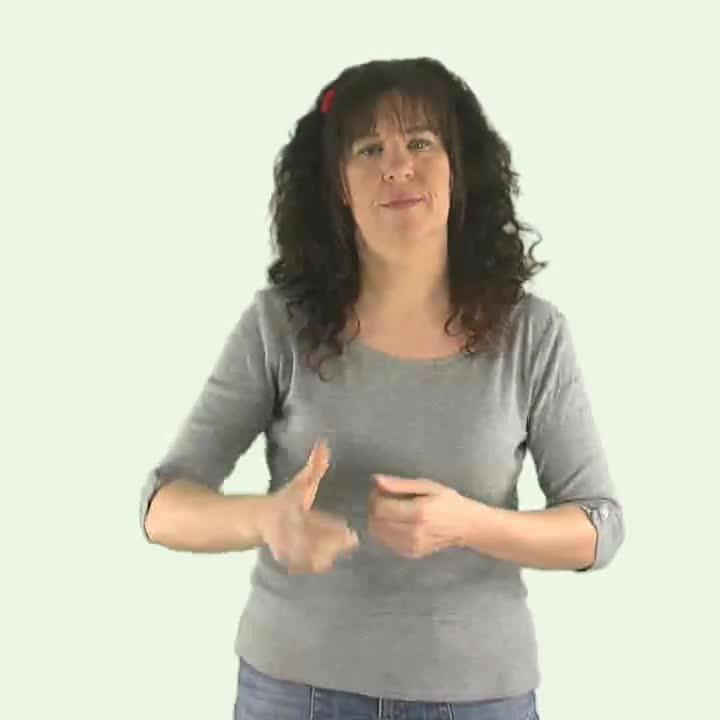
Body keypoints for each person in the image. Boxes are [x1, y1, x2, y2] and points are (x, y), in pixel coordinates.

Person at [139, 57, 625, 720]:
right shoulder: (277, 326)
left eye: (420, 142)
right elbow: (163, 507)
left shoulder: (533, 336)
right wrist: (267, 518)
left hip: (479, 698)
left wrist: (468, 525)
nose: (397, 167)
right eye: (369, 149)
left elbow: (599, 526)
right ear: (339, 185)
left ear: (458, 170)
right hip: (295, 695)